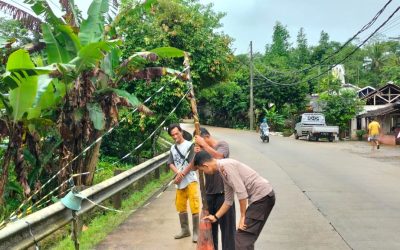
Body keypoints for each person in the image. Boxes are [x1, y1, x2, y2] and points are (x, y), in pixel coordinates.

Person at [193, 151, 275, 250]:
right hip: (262, 198)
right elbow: (228, 200)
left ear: (205, 165)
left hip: (262, 198)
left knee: (242, 240)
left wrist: (243, 216)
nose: (204, 173)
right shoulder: (222, 171)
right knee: (245, 240)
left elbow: (241, 192)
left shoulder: (226, 166)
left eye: (201, 170)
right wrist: (215, 217)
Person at [192, 127, 236, 250]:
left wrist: (204, 145)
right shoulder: (202, 149)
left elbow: (219, 157)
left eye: (200, 140)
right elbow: (194, 168)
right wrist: (197, 154)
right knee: (211, 232)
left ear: (206, 137)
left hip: (224, 195)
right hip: (209, 195)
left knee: (228, 232)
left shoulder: (222, 144)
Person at [167, 123, 200, 243]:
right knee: (180, 206)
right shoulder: (172, 148)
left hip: (191, 180)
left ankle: (196, 232)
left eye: (177, 133)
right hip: (180, 183)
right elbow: (170, 162)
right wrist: (177, 173)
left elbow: (192, 163)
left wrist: (181, 175)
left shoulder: (190, 145)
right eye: (172, 135)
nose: (175, 136)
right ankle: (185, 230)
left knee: (194, 206)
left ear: (181, 131)